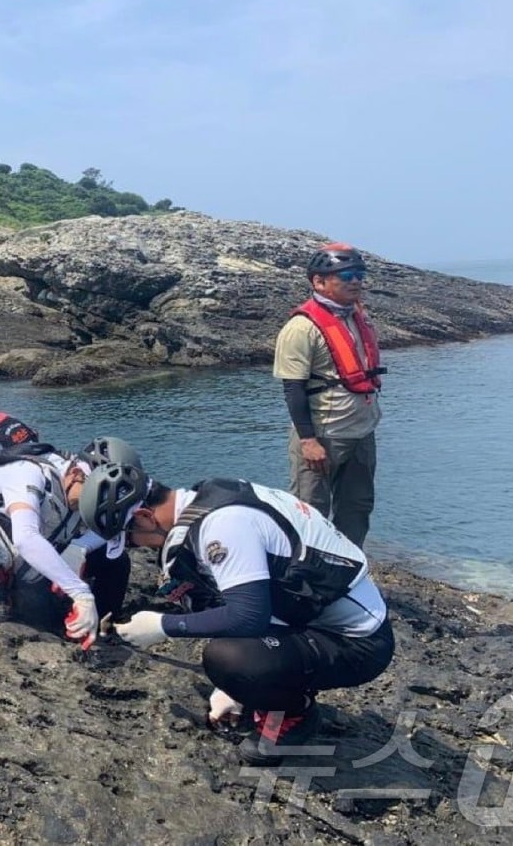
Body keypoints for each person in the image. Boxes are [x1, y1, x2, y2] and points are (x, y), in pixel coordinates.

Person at [88, 467, 393, 766]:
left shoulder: (222, 525)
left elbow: (249, 618)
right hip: (311, 619)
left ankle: (294, 713)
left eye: (130, 539)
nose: (137, 547)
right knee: (208, 612)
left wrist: (162, 626)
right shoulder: (211, 496)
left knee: (227, 658)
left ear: (144, 517)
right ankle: (279, 685)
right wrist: (235, 690)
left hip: (358, 644)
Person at [0, 442, 130, 641]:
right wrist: (79, 592)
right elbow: (25, 537)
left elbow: (114, 529)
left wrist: (80, 548)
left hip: (23, 578)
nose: (96, 506)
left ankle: (102, 625)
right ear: (75, 474)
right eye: (94, 497)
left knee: (115, 558)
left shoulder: (82, 495)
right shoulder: (29, 473)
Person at [272, 243, 385, 546]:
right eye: (346, 275)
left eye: (359, 274)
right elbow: (292, 388)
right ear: (318, 282)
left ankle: (348, 570)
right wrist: (308, 441)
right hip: (323, 435)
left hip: (361, 433)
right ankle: (306, 578)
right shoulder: (301, 328)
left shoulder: (357, 318)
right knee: (310, 512)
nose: (356, 281)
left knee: (357, 509)